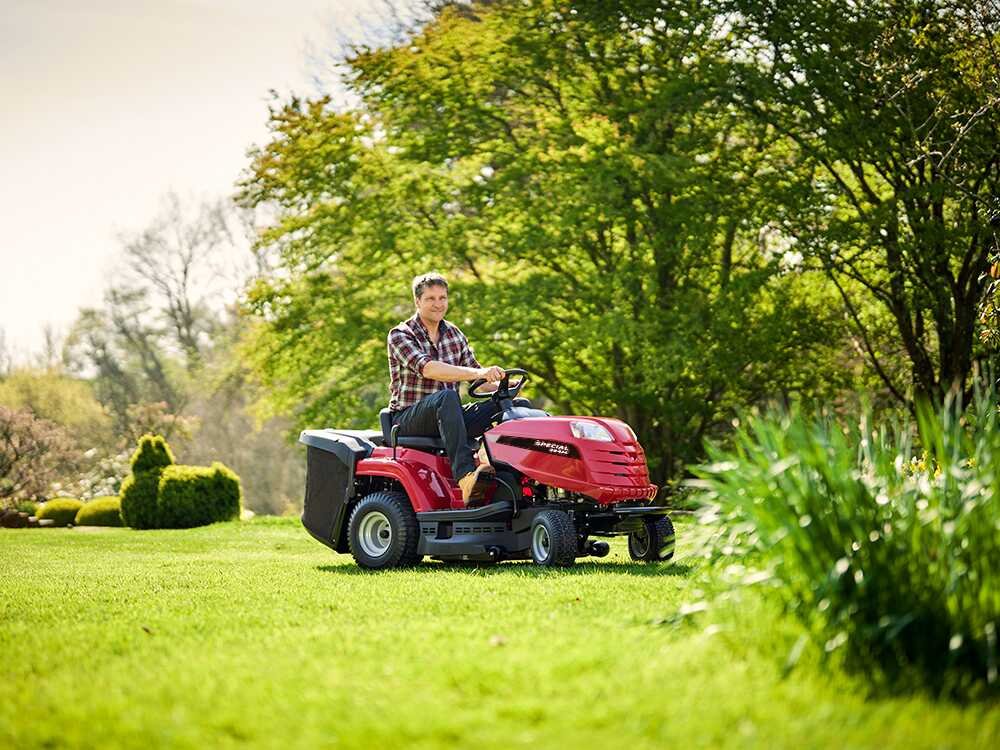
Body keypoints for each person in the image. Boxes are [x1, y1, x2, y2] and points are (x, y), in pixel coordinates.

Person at [386, 272, 526, 505]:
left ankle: (512, 476)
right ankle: (465, 476)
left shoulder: (454, 334)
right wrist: (479, 373)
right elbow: (429, 369)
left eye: (442, 298)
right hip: (408, 418)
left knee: (515, 406)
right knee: (448, 397)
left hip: (448, 415)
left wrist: (504, 385)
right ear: (417, 301)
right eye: (431, 298)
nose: (438, 304)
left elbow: (478, 382)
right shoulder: (401, 335)